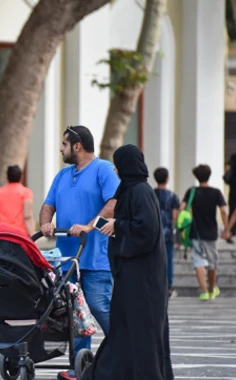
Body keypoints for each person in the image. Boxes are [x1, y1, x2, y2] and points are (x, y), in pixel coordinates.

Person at [82, 144, 173, 380]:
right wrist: (114, 227)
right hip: (132, 276)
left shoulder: (140, 192)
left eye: (118, 163)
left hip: (143, 279)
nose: (114, 168)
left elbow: (148, 230)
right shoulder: (130, 190)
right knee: (125, 328)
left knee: (142, 329)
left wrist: (118, 225)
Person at [38, 126, 119, 380]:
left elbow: (114, 202)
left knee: (98, 307)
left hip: (94, 258)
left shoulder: (103, 169)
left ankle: (126, 354)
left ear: (77, 145)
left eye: (64, 144)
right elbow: (47, 205)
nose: (61, 149)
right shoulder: (63, 174)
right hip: (67, 261)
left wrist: (89, 225)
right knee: (76, 314)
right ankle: (80, 367)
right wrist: (45, 224)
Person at [179, 164, 228, 301]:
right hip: (211, 232)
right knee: (212, 262)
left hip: (196, 232)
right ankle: (212, 289)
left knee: (198, 260)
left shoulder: (192, 191)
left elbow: (182, 208)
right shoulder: (216, 192)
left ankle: (204, 291)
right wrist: (226, 228)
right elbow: (224, 211)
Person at [153, 168, 180, 298]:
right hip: (168, 233)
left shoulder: (151, 194)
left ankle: (154, 284)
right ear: (167, 179)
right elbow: (175, 216)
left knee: (153, 260)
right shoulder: (173, 196)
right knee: (168, 260)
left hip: (153, 233)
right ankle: (168, 287)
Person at [0, 165, 36, 236]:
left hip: (3, 233)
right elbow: (27, 216)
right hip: (20, 235)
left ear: (7, 177)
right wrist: (33, 236)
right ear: (21, 177)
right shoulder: (26, 192)